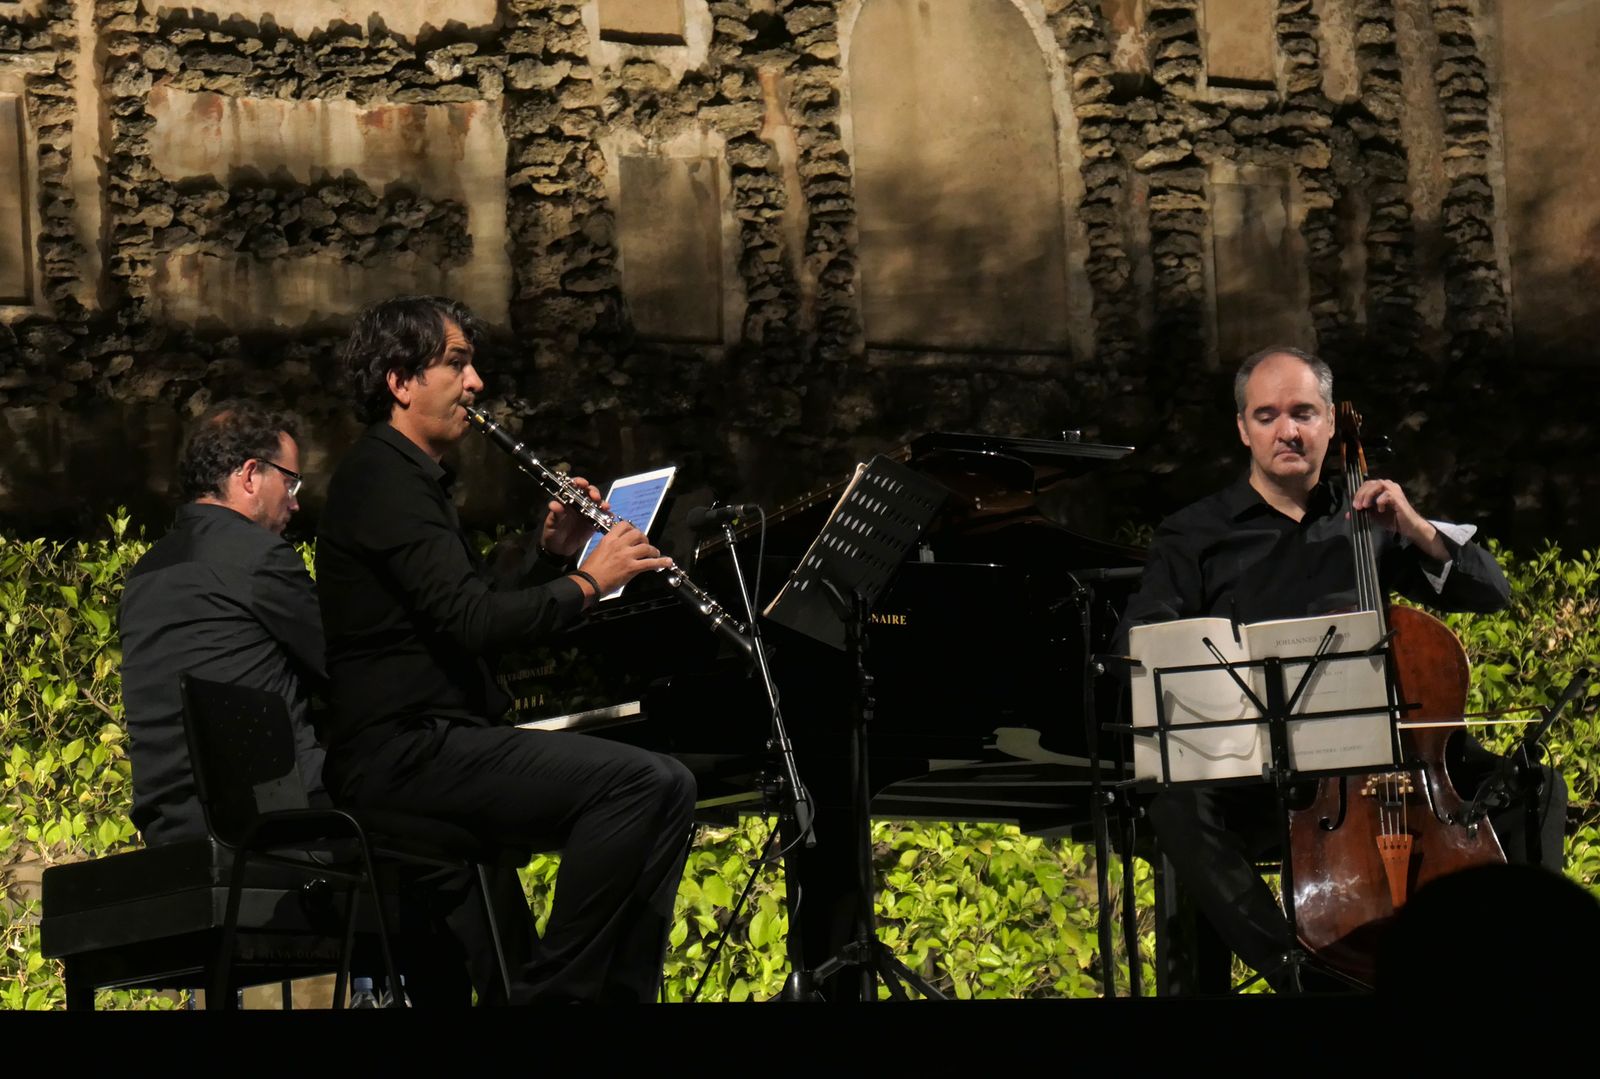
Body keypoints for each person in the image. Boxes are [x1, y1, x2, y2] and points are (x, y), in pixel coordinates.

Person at [1117, 345, 1567, 992]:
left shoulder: (1370, 515)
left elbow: (1491, 591)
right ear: (1243, 428)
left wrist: (1416, 527)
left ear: (1330, 421)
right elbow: (1138, 641)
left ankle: (1530, 974)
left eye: (1303, 413)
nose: (1288, 431)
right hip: (1264, 775)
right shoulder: (1193, 535)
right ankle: (1297, 972)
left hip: (1391, 760)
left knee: (1536, 785)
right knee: (1173, 802)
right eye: (1267, 415)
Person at [316, 295, 695, 1005]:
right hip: (403, 754)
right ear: (400, 381)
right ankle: (554, 999)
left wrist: (554, 557)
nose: (477, 382)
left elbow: (467, 612)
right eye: (457, 364)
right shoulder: (381, 477)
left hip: (434, 744)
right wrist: (589, 581)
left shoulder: (406, 479)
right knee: (645, 784)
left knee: (668, 789)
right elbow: (474, 621)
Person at [120, 402, 324, 845]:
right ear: (250, 475)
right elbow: (341, 666)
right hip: (273, 817)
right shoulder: (258, 556)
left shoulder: (142, 575)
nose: (295, 501)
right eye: (290, 482)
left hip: (170, 826)